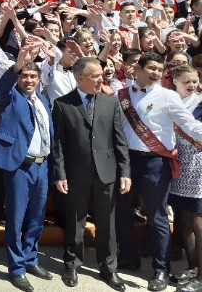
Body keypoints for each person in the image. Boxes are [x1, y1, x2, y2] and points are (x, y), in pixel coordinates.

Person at [116, 52, 202, 292]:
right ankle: (128, 258)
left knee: (157, 217)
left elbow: (188, 124)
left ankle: (161, 269)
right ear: (139, 68)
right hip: (127, 161)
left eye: (159, 69)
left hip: (156, 163)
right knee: (122, 212)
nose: (155, 73)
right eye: (151, 68)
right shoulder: (121, 95)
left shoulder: (168, 96)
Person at [52, 57, 131, 291]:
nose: (101, 79)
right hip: (76, 173)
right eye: (96, 76)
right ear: (81, 78)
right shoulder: (62, 104)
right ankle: (72, 264)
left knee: (107, 223)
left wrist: (125, 171)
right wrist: (60, 174)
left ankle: (108, 267)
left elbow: (119, 140)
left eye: (101, 75)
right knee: (75, 221)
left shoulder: (110, 102)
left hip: (107, 172)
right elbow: (58, 144)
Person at [0, 42, 53, 292]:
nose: (29, 80)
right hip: (19, 166)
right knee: (15, 219)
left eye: (33, 76)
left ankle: (30, 259)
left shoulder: (42, 100)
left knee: (36, 217)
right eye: (24, 76)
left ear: (38, 78)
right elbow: (3, 87)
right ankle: (16, 268)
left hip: (42, 165)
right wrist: (19, 63)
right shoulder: (10, 97)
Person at [168, 65, 202, 291]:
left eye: (195, 80)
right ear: (175, 81)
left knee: (199, 222)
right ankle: (193, 267)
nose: (192, 85)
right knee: (185, 219)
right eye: (186, 81)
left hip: (199, 166)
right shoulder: (170, 101)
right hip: (180, 167)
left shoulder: (200, 102)